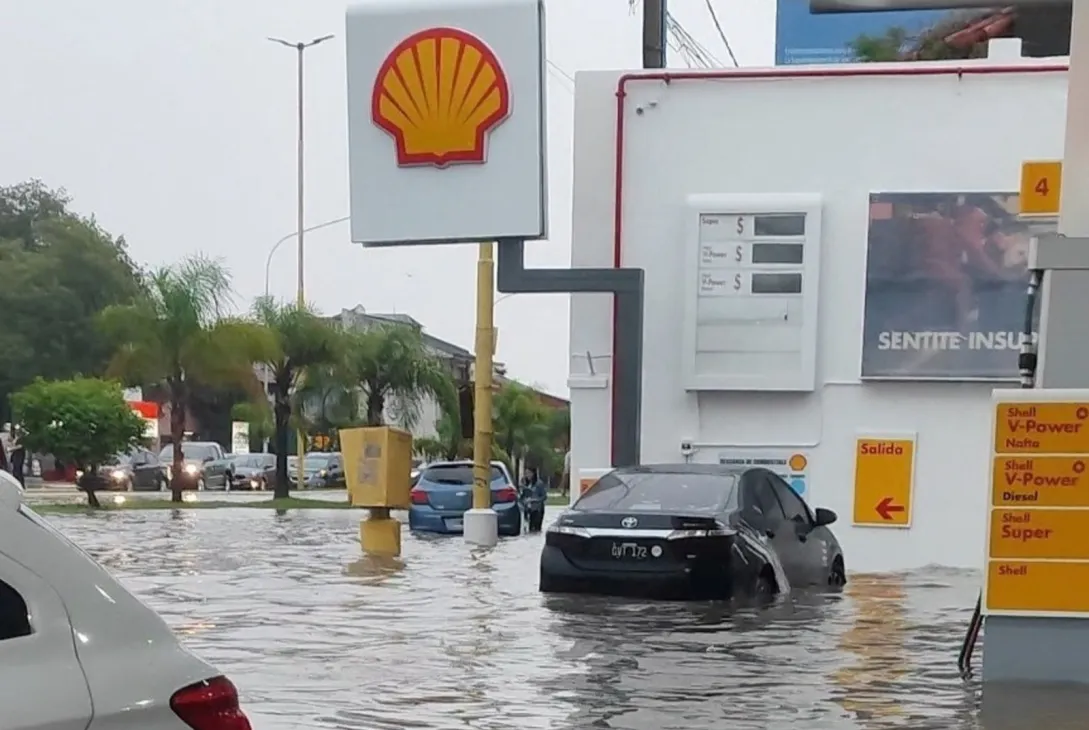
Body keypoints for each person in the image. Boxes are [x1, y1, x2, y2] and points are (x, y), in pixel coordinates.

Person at [521, 467, 548, 532]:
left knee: (536, 529)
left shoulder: (539, 483)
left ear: (533, 473)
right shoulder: (526, 483)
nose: (527, 475)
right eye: (526, 473)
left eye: (529, 473)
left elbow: (544, 497)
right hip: (528, 510)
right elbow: (523, 496)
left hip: (537, 510)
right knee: (529, 529)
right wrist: (523, 500)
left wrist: (533, 500)